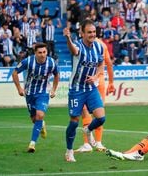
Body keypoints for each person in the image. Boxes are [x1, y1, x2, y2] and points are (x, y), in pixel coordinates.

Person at [63, 19, 106, 162]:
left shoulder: (98, 47)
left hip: (91, 88)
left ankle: (88, 130)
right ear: (82, 33)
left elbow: (101, 64)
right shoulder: (78, 46)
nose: (92, 34)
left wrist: (96, 75)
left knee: (101, 117)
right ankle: (69, 151)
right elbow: (73, 50)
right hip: (76, 89)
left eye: (94, 32)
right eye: (89, 32)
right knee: (74, 121)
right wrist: (68, 38)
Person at [12, 43, 59, 153]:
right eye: (40, 53)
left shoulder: (51, 62)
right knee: (34, 119)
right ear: (35, 53)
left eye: (44, 52)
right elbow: (14, 73)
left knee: (40, 114)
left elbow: (57, 75)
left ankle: (32, 143)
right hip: (29, 94)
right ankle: (41, 124)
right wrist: (19, 88)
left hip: (43, 93)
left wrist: (53, 89)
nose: (42, 55)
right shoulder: (28, 61)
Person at [75, 37, 115, 153]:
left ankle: (87, 144)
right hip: (99, 80)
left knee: (85, 112)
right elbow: (109, 64)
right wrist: (111, 82)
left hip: (86, 80)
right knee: (100, 112)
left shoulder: (80, 44)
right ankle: (98, 143)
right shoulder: (102, 45)